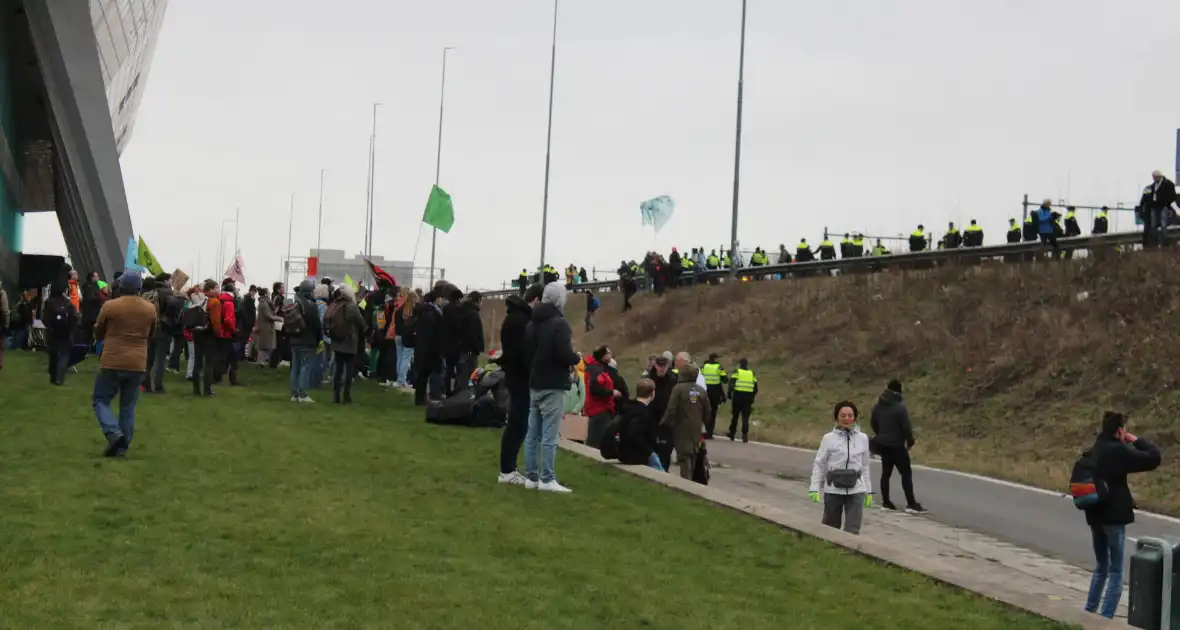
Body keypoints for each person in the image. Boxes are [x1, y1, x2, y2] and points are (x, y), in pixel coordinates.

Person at [1081, 411, 1161, 619]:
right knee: (1116, 571)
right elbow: (1154, 457)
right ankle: (1105, 617)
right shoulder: (1119, 451)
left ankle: (1089, 612)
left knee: (1101, 567)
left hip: (1094, 515)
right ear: (1120, 431)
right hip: (1113, 517)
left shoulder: (1095, 449)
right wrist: (1136, 440)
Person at [523, 282, 580, 492]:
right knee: (549, 434)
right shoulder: (559, 324)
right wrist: (576, 357)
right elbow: (564, 354)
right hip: (553, 383)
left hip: (535, 382)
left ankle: (532, 477)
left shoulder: (531, 324)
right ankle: (547, 478)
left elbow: (527, 354)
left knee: (532, 433)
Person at [91, 272, 157, 457]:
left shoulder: (110, 306)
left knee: (100, 399)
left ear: (120, 287)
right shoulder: (150, 308)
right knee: (128, 406)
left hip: (113, 359)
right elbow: (152, 332)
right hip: (137, 361)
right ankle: (122, 447)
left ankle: (113, 433)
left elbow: (99, 330)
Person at [497, 284, 544, 485]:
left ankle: (509, 468)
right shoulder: (521, 320)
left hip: (515, 375)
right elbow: (522, 353)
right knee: (517, 423)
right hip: (520, 377)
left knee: (518, 422)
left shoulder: (515, 317)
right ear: (536, 300)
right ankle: (507, 470)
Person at [809, 401, 872, 535]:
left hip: (856, 490)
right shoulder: (828, 438)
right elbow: (819, 464)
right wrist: (814, 488)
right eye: (843, 415)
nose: (846, 419)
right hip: (833, 490)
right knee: (830, 529)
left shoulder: (863, 438)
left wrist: (868, 491)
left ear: (855, 417)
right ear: (837, 417)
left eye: (850, 415)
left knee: (853, 530)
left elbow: (865, 465)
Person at [870, 379, 925, 513]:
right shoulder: (900, 407)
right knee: (906, 473)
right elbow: (906, 427)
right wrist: (910, 441)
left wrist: (881, 435)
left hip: (883, 444)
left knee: (886, 473)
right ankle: (911, 503)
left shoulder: (878, 406)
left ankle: (886, 502)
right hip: (897, 446)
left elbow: (873, 423)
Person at [659, 364, 710, 480]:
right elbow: (708, 410)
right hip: (696, 429)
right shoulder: (700, 390)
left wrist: (664, 423)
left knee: (683, 457)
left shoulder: (678, 389)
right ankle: (690, 479)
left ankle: (686, 483)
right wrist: (706, 425)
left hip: (681, 428)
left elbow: (671, 409)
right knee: (693, 455)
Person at [327, 284, 366, 404]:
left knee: (337, 369)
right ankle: (346, 395)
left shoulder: (334, 304)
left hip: (337, 340)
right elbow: (361, 323)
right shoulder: (351, 306)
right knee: (349, 369)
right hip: (349, 341)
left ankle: (336, 395)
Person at [413, 286, 451, 405]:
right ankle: (421, 398)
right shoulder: (431, 313)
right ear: (436, 299)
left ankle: (421, 397)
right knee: (424, 374)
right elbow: (431, 333)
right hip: (428, 348)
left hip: (422, 347)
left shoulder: (425, 311)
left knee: (423, 374)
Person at [618, 378, 663, 471]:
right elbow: (636, 434)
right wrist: (649, 451)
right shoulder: (643, 413)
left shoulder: (628, 408)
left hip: (625, 452)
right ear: (652, 394)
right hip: (639, 455)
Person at [288, 279, 322, 403]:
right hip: (307, 341)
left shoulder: (295, 302)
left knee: (295, 367)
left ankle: (294, 394)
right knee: (305, 367)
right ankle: (302, 394)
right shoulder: (311, 305)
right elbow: (317, 325)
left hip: (294, 339)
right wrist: (319, 339)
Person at [583, 345, 621, 448]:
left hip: (599, 409)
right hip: (599, 410)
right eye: (608, 353)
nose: (611, 355)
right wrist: (611, 393)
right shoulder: (596, 370)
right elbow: (595, 388)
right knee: (597, 442)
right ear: (603, 356)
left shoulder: (596, 368)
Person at [43, 280, 77, 386]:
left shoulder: (49, 302)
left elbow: (45, 319)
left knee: (53, 354)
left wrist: (49, 326)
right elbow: (74, 318)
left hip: (53, 333)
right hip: (66, 333)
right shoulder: (68, 303)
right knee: (64, 355)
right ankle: (59, 378)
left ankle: (53, 375)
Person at [648, 353, 678, 471]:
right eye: (659, 366)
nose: (661, 368)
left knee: (666, 451)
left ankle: (664, 471)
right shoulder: (649, 379)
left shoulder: (673, 379)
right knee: (652, 449)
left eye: (663, 366)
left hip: (667, 420)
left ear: (667, 366)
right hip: (652, 418)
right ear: (655, 366)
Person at [727, 358, 757, 442]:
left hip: (738, 395)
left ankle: (732, 433)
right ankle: (745, 435)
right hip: (748, 397)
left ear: (740, 364)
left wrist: (729, 393)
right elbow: (755, 387)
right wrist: (752, 397)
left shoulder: (737, 372)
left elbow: (731, 383)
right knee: (745, 417)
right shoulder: (752, 373)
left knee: (735, 415)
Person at [394, 287, 419, 388]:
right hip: (409, 337)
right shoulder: (413, 311)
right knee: (406, 359)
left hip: (398, 336)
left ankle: (399, 379)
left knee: (399, 358)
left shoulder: (400, 310)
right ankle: (402, 380)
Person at [699, 354, 727, 439]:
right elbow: (725, 380)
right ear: (715, 359)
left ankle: (705, 430)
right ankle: (710, 432)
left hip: (705, 391)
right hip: (715, 392)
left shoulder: (704, 366)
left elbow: (699, 376)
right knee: (713, 412)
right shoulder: (718, 367)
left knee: (705, 411)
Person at [254, 287, 281, 366]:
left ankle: (261, 362)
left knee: (263, 346)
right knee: (264, 346)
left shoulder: (263, 303)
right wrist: (280, 318)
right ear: (266, 293)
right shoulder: (264, 303)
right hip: (265, 326)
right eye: (268, 292)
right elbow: (269, 316)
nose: (270, 293)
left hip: (264, 326)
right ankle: (262, 362)